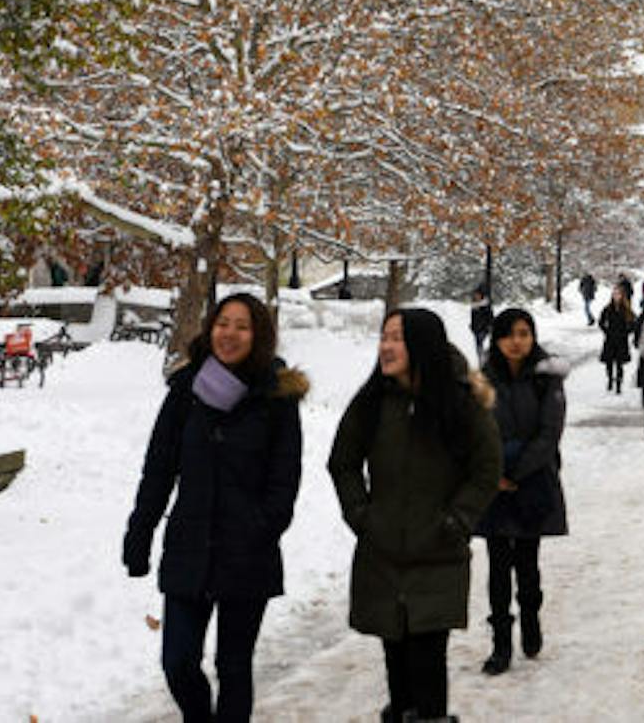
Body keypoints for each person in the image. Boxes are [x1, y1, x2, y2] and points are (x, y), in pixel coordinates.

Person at [124, 294, 306, 723]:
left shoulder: (276, 396)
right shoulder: (185, 391)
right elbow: (159, 469)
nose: (230, 334)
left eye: (242, 326)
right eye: (223, 323)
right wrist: (140, 532)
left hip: (248, 552)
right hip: (190, 545)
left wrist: (263, 528)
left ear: (258, 335)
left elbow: (286, 478)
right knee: (178, 663)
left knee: (234, 666)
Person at [328, 308, 501, 723]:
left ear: (423, 345)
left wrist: (457, 521)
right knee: (396, 659)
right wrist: (361, 514)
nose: (386, 347)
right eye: (384, 337)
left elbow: (486, 468)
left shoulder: (459, 403)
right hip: (383, 554)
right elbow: (343, 462)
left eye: (397, 338)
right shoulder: (371, 402)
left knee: (427, 660)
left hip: (437, 553)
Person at [477, 308, 568, 677]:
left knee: (527, 564)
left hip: (533, 480)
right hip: (493, 485)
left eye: (524, 333)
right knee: (498, 566)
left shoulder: (546, 379)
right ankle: (501, 642)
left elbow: (550, 432)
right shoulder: (481, 381)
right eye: (510, 334)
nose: (517, 341)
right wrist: (493, 472)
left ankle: (531, 618)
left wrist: (516, 471)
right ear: (497, 340)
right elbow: (474, 430)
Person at [598, 282, 635, 394]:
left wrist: (627, 332)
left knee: (619, 363)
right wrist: (606, 331)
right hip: (610, 338)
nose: (616, 296)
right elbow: (601, 321)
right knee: (609, 362)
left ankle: (618, 384)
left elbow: (634, 322)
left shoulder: (626, 309)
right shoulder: (608, 309)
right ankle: (610, 379)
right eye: (614, 294)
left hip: (621, 339)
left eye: (618, 294)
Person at [468, 285, 494, 361]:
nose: (476, 296)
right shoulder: (474, 306)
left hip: (484, 329)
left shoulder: (486, 305)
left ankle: (485, 359)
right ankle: (481, 360)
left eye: (478, 294)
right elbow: (473, 318)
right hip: (476, 329)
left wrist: (489, 326)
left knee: (483, 344)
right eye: (475, 294)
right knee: (478, 346)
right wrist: (472, 325)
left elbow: (490, 317)